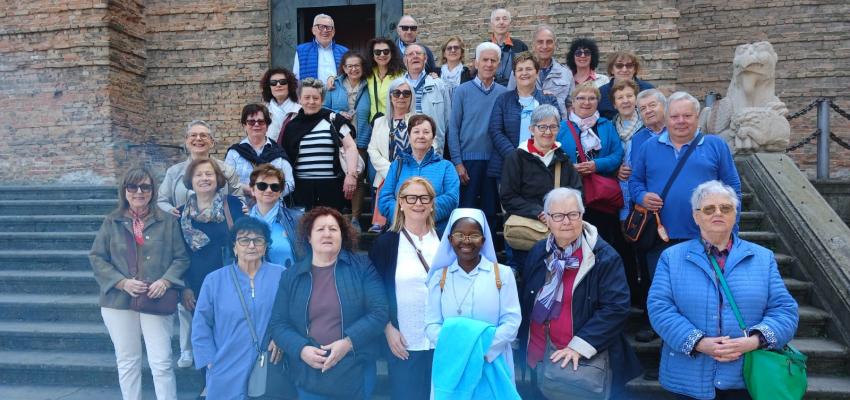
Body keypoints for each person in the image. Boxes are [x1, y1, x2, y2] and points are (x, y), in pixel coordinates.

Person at [648, 180, 799, 400]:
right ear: (696, 216)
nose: (718, 213)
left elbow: (784, 310)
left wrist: (754, 341)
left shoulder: (762, 258)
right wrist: (698, 343)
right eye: (709, 209)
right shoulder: (671, 258)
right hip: (688, 378)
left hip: (746, 377)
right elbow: (659, 309)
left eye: (725, 208)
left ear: (735, 215)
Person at [630, 92, 742, 340]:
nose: (681, 121)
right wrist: (642, 196)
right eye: (675, 116)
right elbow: (635, 182)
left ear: (697, 117)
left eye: (687, 116)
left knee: (701, 289)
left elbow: (733, 187)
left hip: (705, 235)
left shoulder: (715, 145)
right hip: (661, 234)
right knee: (661, 288)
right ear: (667, 118)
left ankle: (700, 335)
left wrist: (732, 229)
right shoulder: (649, 147)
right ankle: (659, 329)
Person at [520, 187, 641, 399]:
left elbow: (615, 308)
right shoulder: (539, 252)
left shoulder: (603, 256)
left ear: (582, 215)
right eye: (558, 215)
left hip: (583, 365)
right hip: (539, 357)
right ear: (546, 219)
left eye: (573, 214)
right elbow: (526, 298)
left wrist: (579, 347)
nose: (566, 221)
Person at [90, 166, 189, 400]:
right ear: (124, 190)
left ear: (153, 191)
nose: (139, 192)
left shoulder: (167, 221)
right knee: (127, 361)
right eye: (132, 186)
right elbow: (97, 258)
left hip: (156, 298)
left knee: (161, 362)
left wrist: (166, 281)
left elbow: (181, 258)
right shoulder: (112, 221)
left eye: (145, 187)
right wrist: (121, 282)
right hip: (118, 301)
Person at [268, 207, 388, 400]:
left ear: (342, 235)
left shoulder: (362, 267)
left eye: (333, 229)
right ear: (309, 237)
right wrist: (301, 349)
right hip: (307, 371)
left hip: (355, 367)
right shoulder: (291, 276)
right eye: (320, 229)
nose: (327, 234)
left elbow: (379, 312)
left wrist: (348, 343)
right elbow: (278, 324)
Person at [191, 217, 289, 400]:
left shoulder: (281, 275)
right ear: (234, 247)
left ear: (265, 246)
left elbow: (291, 315)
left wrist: (282, 338)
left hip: (267, 367)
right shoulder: (214, 280)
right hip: (225, 365)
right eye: (244, 240)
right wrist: (209, 361)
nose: (251, 245)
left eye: (258, 240)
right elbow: (201, 324)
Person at [424, 208, 521, 383]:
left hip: (493, 362)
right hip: (453, 363)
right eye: (459, 235)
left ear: (483, 240)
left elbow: (511, 321)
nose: (466, 241)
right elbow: (432, 324)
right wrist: (459, 351)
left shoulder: (503, 274)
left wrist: (481, 352)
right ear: (450, 239)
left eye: (474, 235)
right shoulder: (439, 277)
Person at [369, 177, 441, 400]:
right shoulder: (386, 243)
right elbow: (373, 290)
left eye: (424, 198)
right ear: (400, 203)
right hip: (404, 341)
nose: (418, 203)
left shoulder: (445, 241)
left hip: (442, 342)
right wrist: (387, 328)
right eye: (411, 198)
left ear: (432, 204)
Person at [175, 158, 245, 376]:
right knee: (204, 341)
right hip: (197, 287)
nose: (204, 178)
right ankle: (208, 386)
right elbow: (178, 254)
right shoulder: (180, 213)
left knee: (231, 340)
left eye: (209, 174)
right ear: (190, 180)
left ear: (217, 178)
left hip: (230, 284)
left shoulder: (232, 205)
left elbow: (244, 242)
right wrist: (184, 288)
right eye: (199, 175)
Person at [500, 105, 582, 268]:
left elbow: (577, 193)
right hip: (527, 234)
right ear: (532, 129)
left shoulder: (563, 158)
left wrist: (560, 213)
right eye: (542, 127)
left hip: (559, 230)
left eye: (553, 127)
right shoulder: (516, 158)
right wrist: (538, 212)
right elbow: (508, 197)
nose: (548, 132)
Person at [447, 42, 509, 236]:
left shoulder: (504, 94)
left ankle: (489, 251)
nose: (489, 64)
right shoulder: (462, 91)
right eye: (485, 60)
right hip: (467, 162)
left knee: (491, 213)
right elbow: (453, 128)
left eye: (493, 60)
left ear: (498, 64)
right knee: (466, 211)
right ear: (476, 63)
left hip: (494, 162)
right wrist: (457, 162)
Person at [555, 82, 624, 249]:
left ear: (597, 102)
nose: (586, 102)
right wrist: (570, 167)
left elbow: (617, 154)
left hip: (600, 196)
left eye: (592, 98)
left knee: (603, 242)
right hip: (572, 193)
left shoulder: (606, 125)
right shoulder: (561, 128)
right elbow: (553, 155)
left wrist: (596, 165)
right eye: (581, 98)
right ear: (573, 102)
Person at [280, 78, 359, 211]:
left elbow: (350, 146)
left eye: (316, 98)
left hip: (331, 188)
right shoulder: (291, 126)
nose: (311, 102)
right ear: (299, 99)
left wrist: (351, 175)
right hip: (300, 189)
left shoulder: (334, 120)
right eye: (307, 97)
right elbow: (285, 158)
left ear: (322, 100)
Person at [378, 114, 459, 234]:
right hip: (401, 232)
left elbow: (451, 199)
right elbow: (385, 199)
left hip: (436, 233)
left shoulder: (446, 166)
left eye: (426, 132)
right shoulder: (397, 165)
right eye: (416, 132)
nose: (421, 136)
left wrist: (421, 215)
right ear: (409, 136)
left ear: (433, 137)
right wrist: (406, 217)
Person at [489, 52, 559, 184]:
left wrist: (537, 156)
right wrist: (515, 157)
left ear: (537, 72)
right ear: (514, 74)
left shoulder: (549, 100)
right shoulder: (503, 100)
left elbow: (557, 130)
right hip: (508, 166)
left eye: (529, 69)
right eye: (520, 69)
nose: (524, 73)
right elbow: (495, 131)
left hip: (541, 166)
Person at [324, 51, 372, 231]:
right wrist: (338, 114)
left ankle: (355, 219)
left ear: (362, 67)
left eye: (357, 65)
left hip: (361, 138)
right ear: (343, 68)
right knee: (338, 177)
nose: (353, 69)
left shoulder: (369, 84)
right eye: (349, 66)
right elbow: (323, 108)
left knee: (357, 178)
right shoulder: (334, 86)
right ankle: (339, 216)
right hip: (338, 139)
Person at [158, 120, 243, 217]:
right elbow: (162, 200)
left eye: (203, 135)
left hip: (221, 224)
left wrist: (241, 207)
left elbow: (239, 198)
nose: (198, 138)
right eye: (193, 135)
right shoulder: (173, 172)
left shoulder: (227, 171)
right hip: (182, 224)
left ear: (212, 142)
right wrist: (170, 210)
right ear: (186, 141)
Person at [368, 78, 416, 232]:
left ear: (412, 97)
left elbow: (430, 145)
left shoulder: (419, 120)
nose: (401, 97)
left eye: (406, 93)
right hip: (386, 175)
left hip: (412, 175)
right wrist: (391, 170)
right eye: (396, 93)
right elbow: (372, 150)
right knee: (384, 229)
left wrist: (408, 171)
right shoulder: (379, 122)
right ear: (390, 96)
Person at [224, 104, 295, 198]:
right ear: (244, 126)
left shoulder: (278, 152)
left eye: (261, 122)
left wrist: (269, 195)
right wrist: (248, 190)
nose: (256, 124)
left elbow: (290, 184)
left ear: (267, 126)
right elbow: (226, 182)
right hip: (242, 205)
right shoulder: (234, 153)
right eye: (251, 122)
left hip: (272, 205)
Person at [509, 26, 573, 118]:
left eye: (549, 42)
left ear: (555, 45)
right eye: (540, 42)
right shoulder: (519, 72)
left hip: (557, 125)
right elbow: (509, 101)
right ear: (533, 45)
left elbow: (571, 106)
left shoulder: (566, 74)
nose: (545, 46)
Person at [248, 164, 303, 267]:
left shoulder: (298, 219)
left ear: (280, 192)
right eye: (262, 186)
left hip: (288, 276)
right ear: (252, 190)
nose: (269, 190)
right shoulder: (240, 221)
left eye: (275, 187)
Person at [403, 43, 451, 154]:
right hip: (404, 147)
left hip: (433, 148)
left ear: (425, 58)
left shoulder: (439, 84)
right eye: (410, 54)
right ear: (405, 60)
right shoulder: (397, 86)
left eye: (418, 53)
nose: (415, 56)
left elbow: (448, 119)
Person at [611, 79, 643, 222]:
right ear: (614, 104)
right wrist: (616, 170)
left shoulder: (647, 125)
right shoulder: (609, 127)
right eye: (620, 97)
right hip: (618, 191)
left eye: (629, 96)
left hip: (642, 187)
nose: (625, 101)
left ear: (636, 99)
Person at [598, 51, 655, 120]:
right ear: (611, 70)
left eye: (629, 65)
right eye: (619, 66)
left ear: (635, 69)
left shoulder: (648, 90)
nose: (624, 70)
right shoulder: (601, 92)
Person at [293, 14, 348, 83]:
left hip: (337, 90)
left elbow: (349, 77)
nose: (325, 30)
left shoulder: (344, 51)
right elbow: (296, 79)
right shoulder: (302, 50)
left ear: (333, 32)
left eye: (328, 27)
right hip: (311, 90)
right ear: (313, 30)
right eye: (321, 27)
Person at [365, 37, 405, 123]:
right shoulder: (368, 74)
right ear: (372, 55)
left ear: (391, 53)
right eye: (377, 52)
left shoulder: (401, 74)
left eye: (386, 51)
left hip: (395, 123)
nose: (382, 55)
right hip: (375, 124)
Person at [489, 8, 528, 86]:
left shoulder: (520, 46)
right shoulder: (484, 47)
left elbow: (526, 71)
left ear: (510, 23)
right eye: (497, 19)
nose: (501, 22)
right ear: (492, 24)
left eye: (505, 19)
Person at [262, 67, 301, 143]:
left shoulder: (301, 111)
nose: (278, 85)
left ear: (289, 85)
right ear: (269, 87)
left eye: (283, 82)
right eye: (273, 83)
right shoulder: (262, 112)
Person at [631, 88, 668, 166]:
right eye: (643, 108)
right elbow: (634, 168)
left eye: (652, 105)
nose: (648, 111)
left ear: (665, 106)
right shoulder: (636, 139)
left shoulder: (678, 131)